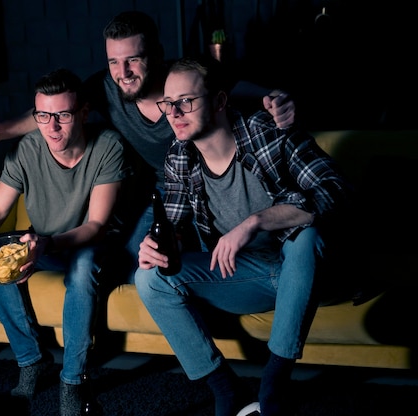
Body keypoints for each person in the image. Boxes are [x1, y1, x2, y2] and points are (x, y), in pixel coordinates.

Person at [0, 11, 296, 281]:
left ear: (156, 56)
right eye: (113, 62)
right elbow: (56, 111)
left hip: (207, 189)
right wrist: (1, 131)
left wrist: (275, 98)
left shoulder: (183, 81)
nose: (123, 72)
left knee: (215, 257)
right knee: (144, 265)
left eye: (133, 60)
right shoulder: (105, 88)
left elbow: (239, 88)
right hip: (160, 197)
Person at [134, 57, 353, 416]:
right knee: (148, 278)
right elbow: (170, 226)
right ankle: (227, 391)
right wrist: (155, 248)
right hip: (250, 276)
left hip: (311, 273)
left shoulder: (266, 132)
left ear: (220, 102)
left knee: (305, 236)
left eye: (186, 101)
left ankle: (274, 389)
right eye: (168, 103)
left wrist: (255, 222)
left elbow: (337, 192)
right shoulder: (179, 155)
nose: (174, 112)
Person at [0, 68, 129, 415]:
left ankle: (73, 381)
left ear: (82, 112)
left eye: (63, 115)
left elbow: (95, 225)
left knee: (81, 270)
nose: (52, 127)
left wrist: (45, 244)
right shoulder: (27, 149)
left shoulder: (108, 146)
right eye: (43, 116)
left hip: (91, 245)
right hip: (43, 243)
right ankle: (31, 360)